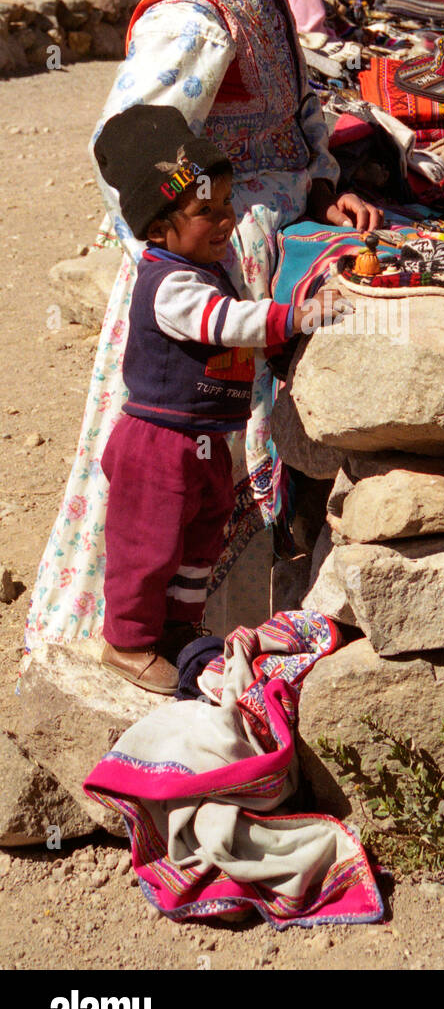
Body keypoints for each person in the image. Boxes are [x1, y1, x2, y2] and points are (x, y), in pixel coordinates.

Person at [26, 0, 383, 655]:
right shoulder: (193, 12)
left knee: (214, 461)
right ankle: (149, 635)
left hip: (250, 236)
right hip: (205, 267)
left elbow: (295, 109)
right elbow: (133, 146)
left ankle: (232, 637)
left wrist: (318, 181)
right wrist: (203, 219)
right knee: (178, 460)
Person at [93, 106, 348, 691]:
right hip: (158, 445)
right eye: (205, 211)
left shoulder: (206, 268)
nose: (226, 222)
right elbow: (227, 323)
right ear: (157, 228)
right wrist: (296, 317)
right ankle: (126, 642)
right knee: (148, 545)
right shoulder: (171, 285)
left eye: (228, 206)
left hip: (206, 444)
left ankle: (177, 628)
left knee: (200, 541)